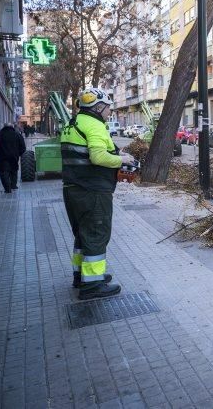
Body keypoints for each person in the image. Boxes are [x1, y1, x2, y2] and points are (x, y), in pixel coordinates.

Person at [60, 87, 134, 300]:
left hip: (73, 189)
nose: (109, 112)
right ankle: (92, 286)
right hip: (92, 191)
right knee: (96, 234)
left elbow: (83, 152)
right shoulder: (95, 125)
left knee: (82, 235)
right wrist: (122, 160)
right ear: (99, 107)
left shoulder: (73, 124)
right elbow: (98, 158)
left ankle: (81, 276)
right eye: (108, 108)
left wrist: (118, 153)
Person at [0, 122, 26, 193]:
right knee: (14, 170)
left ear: (4, 127)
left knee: (4, 172)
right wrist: (18, 154)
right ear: (12, 127)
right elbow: (23, 147)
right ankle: (13, 185)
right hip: (14, 157)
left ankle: (7, 189)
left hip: (2, 157)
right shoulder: (17, 135)